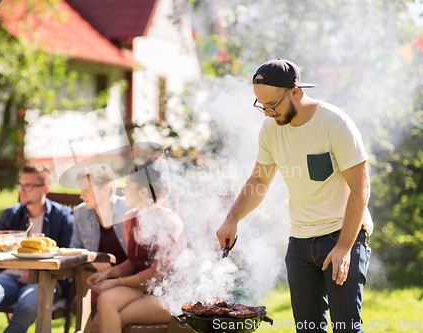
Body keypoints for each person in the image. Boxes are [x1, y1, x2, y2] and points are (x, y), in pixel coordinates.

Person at [216, 59, 373, 333]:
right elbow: (260, 179)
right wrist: (232, 219)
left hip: (342, 234)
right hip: (299, 244)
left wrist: (344, 248)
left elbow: (361, 188)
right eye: (261, 105)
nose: (266, 113)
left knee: (347, 328)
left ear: (295, 92)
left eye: (272, 105)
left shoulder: (334, 123)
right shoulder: (270, 130)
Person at [0, 163, 73, 333]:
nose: (23, 190)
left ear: (45, 188)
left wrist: (36, 272)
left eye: (29, 186)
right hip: (10, 275)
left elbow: (67, 255)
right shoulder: (10, 214)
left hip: (45, 280)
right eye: (21, 185)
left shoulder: (63, 217)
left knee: (26, 305)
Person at [87, 160, 185, 333]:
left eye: (128, 185)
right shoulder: (130, 218)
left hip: (169, 295)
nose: (123, 190)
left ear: (143, 191)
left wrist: (116, 282)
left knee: (101, 320)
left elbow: (156, 273)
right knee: (106, 299)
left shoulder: (169, 222)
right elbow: (132, 262)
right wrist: (107, 273)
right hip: (142, 289)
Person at [69, 163, 133, 318]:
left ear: (106, 189)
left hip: (129, 280)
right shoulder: (81, 213)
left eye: (87, 190)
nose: (81, 196)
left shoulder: (129, 210)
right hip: (97, 280)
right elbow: (73, 249)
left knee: (99, 309)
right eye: (81, 190)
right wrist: (90, 259)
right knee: (79, 304)